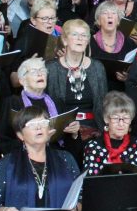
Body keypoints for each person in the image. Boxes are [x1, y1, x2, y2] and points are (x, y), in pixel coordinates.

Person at [46, 19, 108, 164]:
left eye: (84, 35)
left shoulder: (98, 67)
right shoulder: (51, 68)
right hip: (62, 130)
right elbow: (47, 105)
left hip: (93, 129)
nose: (80, 39)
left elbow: (103, 104)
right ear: (65, 40)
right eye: (75, 34)